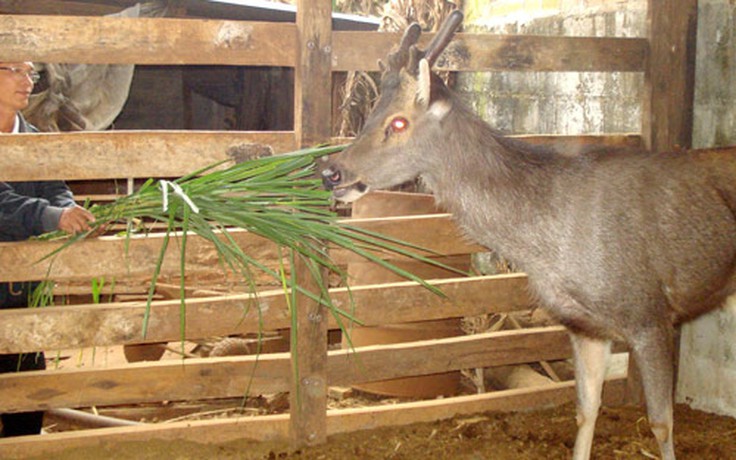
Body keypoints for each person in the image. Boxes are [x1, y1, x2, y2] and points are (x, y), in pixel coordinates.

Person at [0, 61, 95, 437]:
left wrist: (69, 209)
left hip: (24, 293)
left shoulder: (35, 139)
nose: (28, 82)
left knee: (28, 393)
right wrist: (52, 216)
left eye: (31, 72)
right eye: (14, 70)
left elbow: (55, 189)